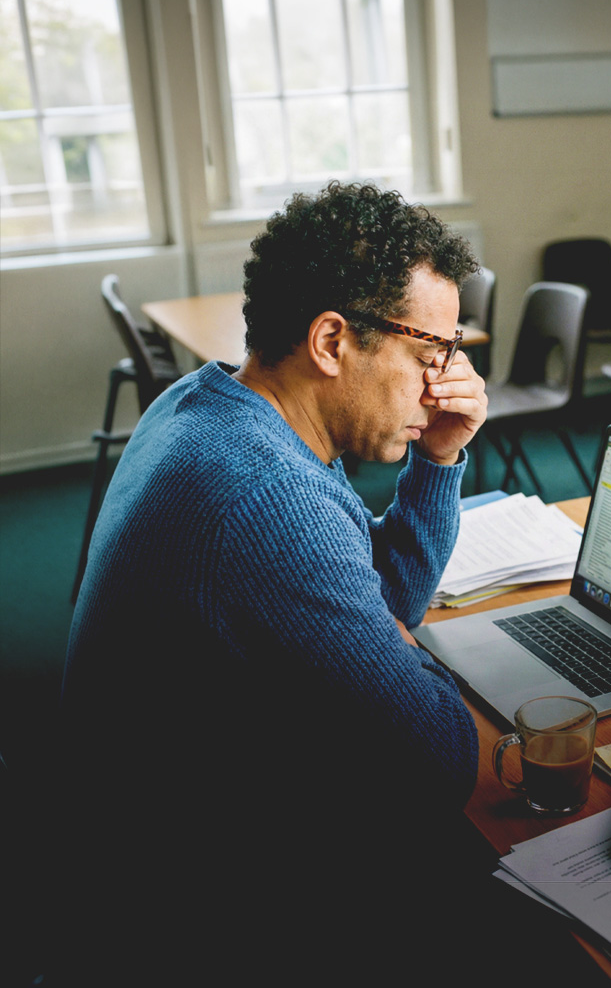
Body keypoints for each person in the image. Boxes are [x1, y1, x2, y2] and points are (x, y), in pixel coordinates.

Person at [56, 182, 497, 984]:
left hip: (133, 852)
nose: (442, 384)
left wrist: (436, 460)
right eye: (430, 353)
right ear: (332, 340)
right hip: (187, 923)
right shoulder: (265, 496)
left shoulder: (206, 401)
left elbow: (383, 599)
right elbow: (439, 758)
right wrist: (398, 648)